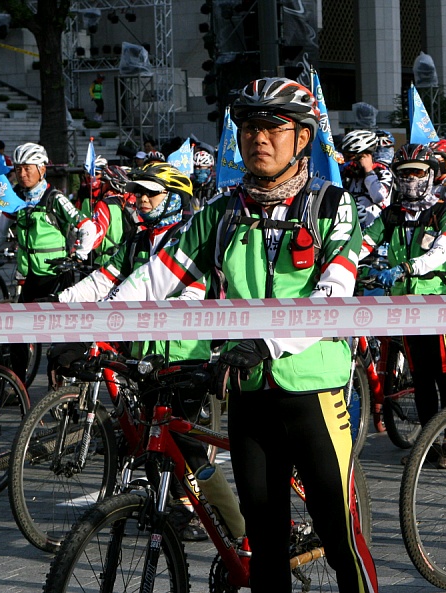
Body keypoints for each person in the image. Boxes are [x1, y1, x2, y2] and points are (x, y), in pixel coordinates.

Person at [101, 77, 377, 592]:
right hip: (247, 396)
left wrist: (266, 342)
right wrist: (91, 325)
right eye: (250, 128)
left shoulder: (332, 206)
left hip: (313, 392)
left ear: (303, 139)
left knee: (340, 538)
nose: (260, 139)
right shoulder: (222, 212)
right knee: (264, 544)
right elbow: (153, 277)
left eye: (274, 128)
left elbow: (334, 292)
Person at [56, 162, 211, 541]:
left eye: (150, 193)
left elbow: (198, 289)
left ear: (174, 199)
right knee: (149, 433)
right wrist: (60, 302)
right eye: (138, 192)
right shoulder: (138, 240)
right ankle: (162, 503)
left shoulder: (192, 237)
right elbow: (103, 279)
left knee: (183, 439)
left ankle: (196, 508)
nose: (140, 199)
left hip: (184, 353)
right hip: (142, 355)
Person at [360, 143, 446, 467]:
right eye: (404, 174)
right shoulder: (391, 213)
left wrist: (405, 268)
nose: (410, 180)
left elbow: (441, 252)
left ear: (431, 174)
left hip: (438, 303)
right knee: (420, 379)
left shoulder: (443, 209)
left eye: (417, 173)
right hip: (405, 305)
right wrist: (345, 263)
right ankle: (427, 444)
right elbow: (364, 242)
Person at [0, 142, 97, 384]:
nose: (22, 174)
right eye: (18, 169)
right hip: (30, 277)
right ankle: (18, 384)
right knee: (17, 333)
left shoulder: (54, 198)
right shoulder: (15, 197)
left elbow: (87, 226)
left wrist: (78, 255)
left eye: (27, 169)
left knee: (61, 337)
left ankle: (62, 389)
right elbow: (1, 228)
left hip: (57, 275)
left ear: (42, 169)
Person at [341, 129, 393, 228]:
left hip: (373, 232)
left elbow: (378, 196)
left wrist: (368, 170)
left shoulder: (382, 172)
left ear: (365, 156)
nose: (347, 161)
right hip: (350, 228)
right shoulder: (348, 173)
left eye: (350, 157)